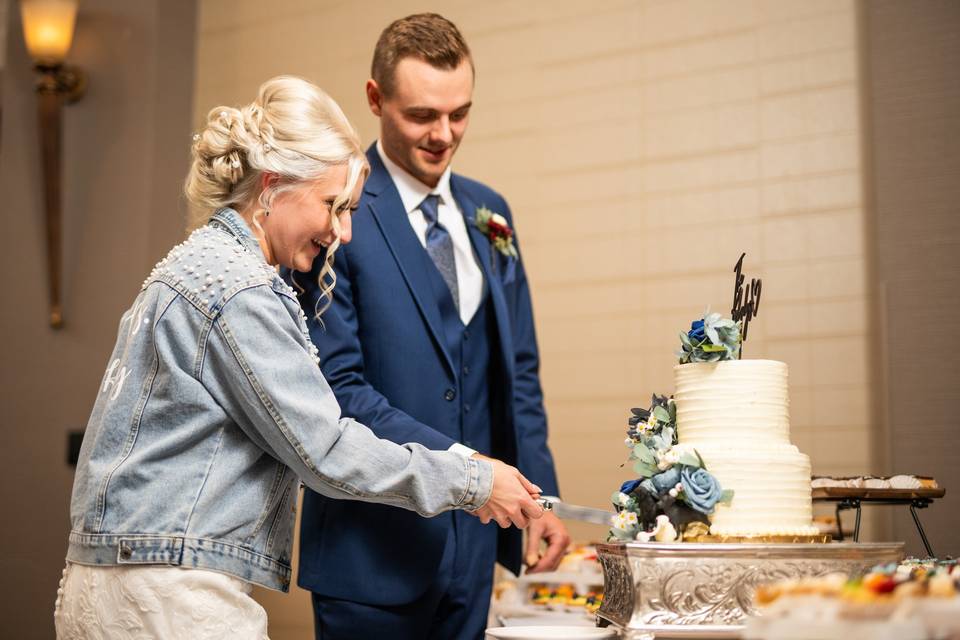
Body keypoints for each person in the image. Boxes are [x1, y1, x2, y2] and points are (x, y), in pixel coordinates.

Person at [54, 75, 543, 640]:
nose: (343, 231)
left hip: (105, 576)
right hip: (172, 595)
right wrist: (472, 479)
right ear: (272, 186)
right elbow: (327, 450)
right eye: (333, 206)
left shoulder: (189, 267)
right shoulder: (238, 289)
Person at [291, 14, 570, 639]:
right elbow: (339, 390)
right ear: (375, 99)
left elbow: (518, 372)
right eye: (421, 115)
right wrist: (471, 471)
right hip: (371, 554)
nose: (444, 135)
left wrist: (540, 498)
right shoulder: (337, 211)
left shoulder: (490, 212)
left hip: (470, 555)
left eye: (460, 113)